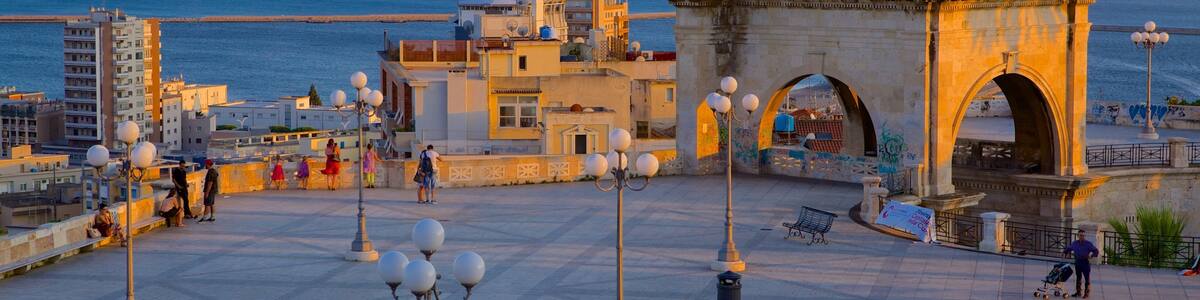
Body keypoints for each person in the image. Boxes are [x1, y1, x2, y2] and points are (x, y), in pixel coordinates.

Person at [1063, 230, 1099, 298]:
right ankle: (1078, 292)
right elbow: (1069, 248)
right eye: (1080, 235)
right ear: (1078, 236)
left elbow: (1096, 251)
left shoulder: (1088, 244)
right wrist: (1065, 252)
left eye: (1083, 235)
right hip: (1077, 262)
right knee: (1078, 278)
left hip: (1085, 262)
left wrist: (1091, 255)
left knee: (1087, 279)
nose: (1082, 237)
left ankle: (1086, 293)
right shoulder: (1075, 243)